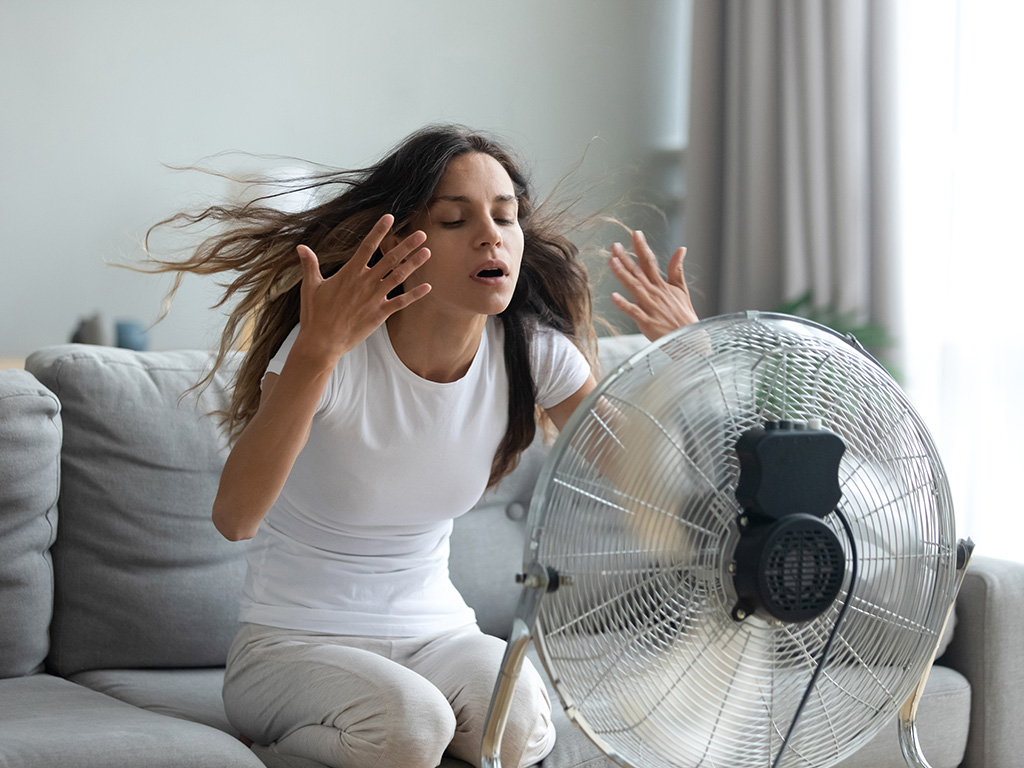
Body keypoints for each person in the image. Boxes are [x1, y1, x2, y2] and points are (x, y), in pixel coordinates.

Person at [145, 124, 697, 768]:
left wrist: (690, 362)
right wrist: (316, 353)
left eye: (506, 216)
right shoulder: (329, 349)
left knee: (516, 726)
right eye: (456, 220)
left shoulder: (534, 354)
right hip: (293, 644)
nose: (492, 235)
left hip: (439, 634)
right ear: (403, 240)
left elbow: (659, 492)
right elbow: (234, 518)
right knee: (411, 727)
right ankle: (278, 743)